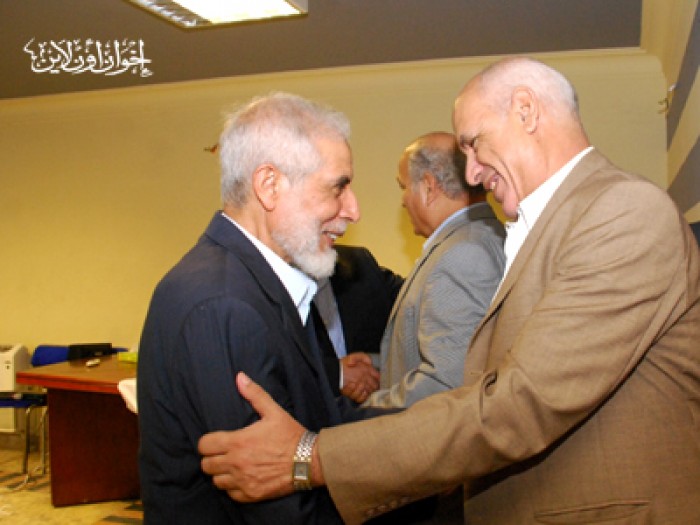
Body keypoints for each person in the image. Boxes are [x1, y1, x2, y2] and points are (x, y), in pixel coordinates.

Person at [198, 57, 700, 524]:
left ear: (526, 111)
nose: (472, 173)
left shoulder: (623, 213)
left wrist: (314, 455)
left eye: (474, 144)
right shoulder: (547, 224)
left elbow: (518, 406)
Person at [137, 92, 390, 524]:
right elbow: (275, 506)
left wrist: (436, 437)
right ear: (269, 185)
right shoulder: (225, 305)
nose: (353, 210)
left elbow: (321, 421)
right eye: (338, 187)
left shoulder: (266, 281)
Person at [364, 132, 505, 409]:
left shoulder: (462, 254)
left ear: (429, 187)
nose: (403, 200)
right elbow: (458, 349)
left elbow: (446, 384)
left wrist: (359, 413)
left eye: (403, 186)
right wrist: (377, 363)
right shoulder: (481, 237)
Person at [316, 244, 404, 403]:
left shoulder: (357, 264)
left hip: (376, 409)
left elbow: (419, 300)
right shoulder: (268, 286)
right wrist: (337, 375)